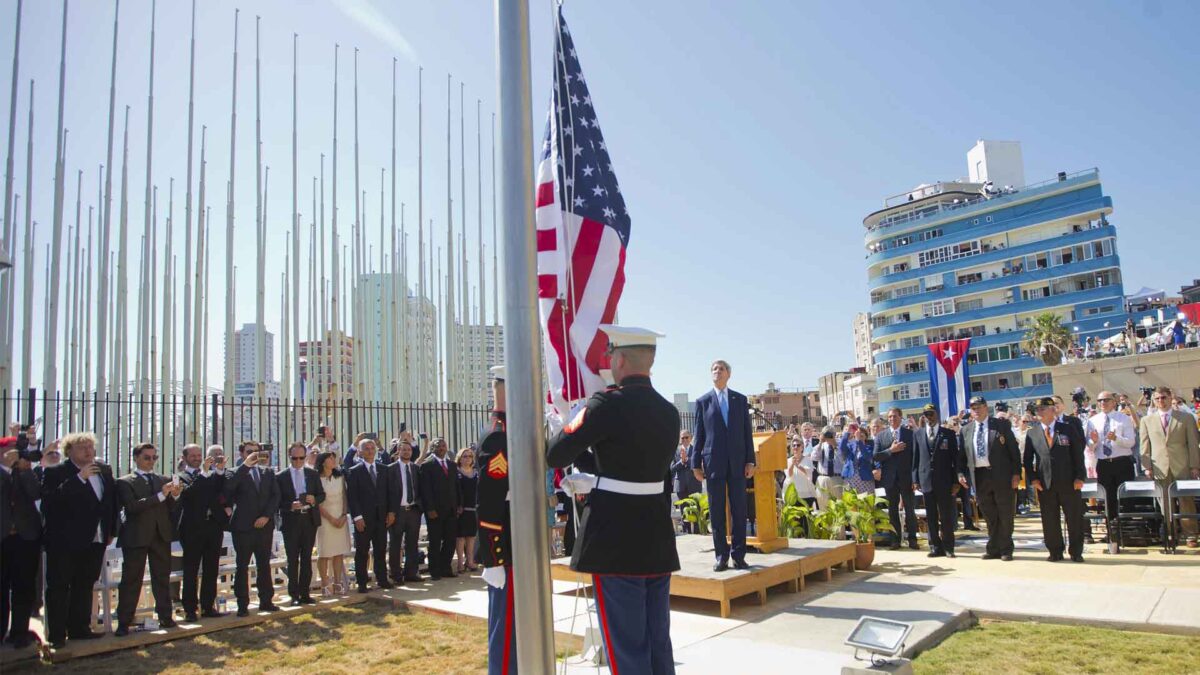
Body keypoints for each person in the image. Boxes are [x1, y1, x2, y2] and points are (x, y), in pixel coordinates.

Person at [547, 325, 680, 674]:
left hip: (615, 539)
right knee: (656, 643)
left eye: (609, 356)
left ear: (619, 359)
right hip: (655, 536)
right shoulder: (668, 411)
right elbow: (626, 465)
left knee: (626, 647)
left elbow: (555, 453)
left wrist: (568, 422)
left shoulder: (606, 403)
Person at [40, 431, 120, 648]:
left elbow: (111, 502)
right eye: (82, 447)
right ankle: (57, 635)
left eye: (90, 446)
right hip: (65, 541)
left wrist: (112, 529)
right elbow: (50, 502)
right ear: (69, 451)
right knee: (59, 586)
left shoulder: (104, 470)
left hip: (96, 539)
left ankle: (79, 628)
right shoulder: (57, 472)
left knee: (84, 585)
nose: (88, 451)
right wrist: (79, 479)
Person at [690, 359, 756, 572]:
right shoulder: (703, 401)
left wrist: (750, 460)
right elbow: (699, 435)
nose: (717, 372)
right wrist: (695, 464)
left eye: (721, 369)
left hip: (737, 463)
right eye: (714, 369)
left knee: (739, 510)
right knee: (717, 512)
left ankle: (739, 556)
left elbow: (747, 433)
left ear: (729, 374)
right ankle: (721, 557)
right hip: (713, 464)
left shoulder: (739, 399)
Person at [115, 442, 181, 635]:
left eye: (154, 457)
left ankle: (166, 617)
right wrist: (162, 495)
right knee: (131, 580)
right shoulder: (125, 481)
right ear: (136, 458)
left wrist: (175, 496)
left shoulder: (163, 479)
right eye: (147, 457)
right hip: (137, 536)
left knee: (162, 578)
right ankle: (124, 621)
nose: (151, 461)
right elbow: (132, 507)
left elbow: (171, 508)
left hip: (160, 534)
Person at [476, 365, 516, 674]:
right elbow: (488, 504)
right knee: (505, 628)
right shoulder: (498, 438)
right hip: (507, 547)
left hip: (518, 541)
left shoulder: (510, 432)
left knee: (517, 624)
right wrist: (494, 557)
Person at [958, 396, 1021, 561]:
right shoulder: (966, 430)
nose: (976, 410)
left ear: (986, 407)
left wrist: (1016, 474)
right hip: (979, 476)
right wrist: (960, 474)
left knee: (1005, 513)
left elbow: (1014, 451)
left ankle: (1006, 549)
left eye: (979, 407)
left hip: (1001, 475)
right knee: (989, 514)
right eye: (973, 408)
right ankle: (993, 548)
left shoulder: (1001, 425)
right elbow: (962, 457)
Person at [1025, 397, 1087, 562]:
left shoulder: (1068, 429)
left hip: (1069, 482)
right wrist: (1033, 479)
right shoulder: (1032, 433)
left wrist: (1080, 477)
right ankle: (1055, 551)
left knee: (1074, 518)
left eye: (1043, 409)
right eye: (1037, 410)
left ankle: (1076, 551)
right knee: (1049, 519)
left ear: (1053, 410)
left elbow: (1078, 455)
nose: (1039, 412)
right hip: (1045, 484)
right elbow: (1027, 459)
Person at [225, 439, 281, 616]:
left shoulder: (268, 472)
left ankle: (266, 601)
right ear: (242, 453)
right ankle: (242, 604)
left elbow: (275, 496)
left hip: (264, 526)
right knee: (242, 566)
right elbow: (228, 491)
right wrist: (245, 467)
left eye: (256, 451)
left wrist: (266, 516)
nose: (253, 454)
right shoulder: (233, 472)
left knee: (264, 564)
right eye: (249, 451)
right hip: (243, 527)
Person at [174, 444, 229, 622]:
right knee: (191, 570)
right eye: (193, 455)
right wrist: (205, 473)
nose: (197, 458)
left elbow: (220, 490)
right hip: (192, 529)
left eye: (199, 455)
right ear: (185, 458)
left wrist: (219, 471)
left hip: (213, 526)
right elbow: (190, 494)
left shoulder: (209, 474)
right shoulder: (180, 477)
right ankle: (190, 609)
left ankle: (208, 606)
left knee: (211, 568)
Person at [1140, 387, 1200, 547]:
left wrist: (1195, 466)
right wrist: (1146, 466)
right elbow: (1144, 446)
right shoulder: (1147, 420)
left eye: (1164, 397)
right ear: (1154, 400)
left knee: (1186, 501)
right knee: (1164, 503)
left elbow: (1193, 444)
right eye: (1157, 398)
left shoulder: (1186, 418)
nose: (1161, 401)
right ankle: (1170, 533)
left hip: (1182, 466)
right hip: (1159, 467)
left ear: (1170, 397)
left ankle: (1190, 535)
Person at [1, 436, 41, 648]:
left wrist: (25, 470)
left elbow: (36, 493)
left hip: (25, 538)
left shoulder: (25, 472)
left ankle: (20, 632)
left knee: (24, 588)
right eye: (10, 450)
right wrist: (5, 468)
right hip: (3, 538)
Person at [277, 441, 325, 606]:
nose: (298, 462)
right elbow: (276, 502)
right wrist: (290, 506)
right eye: (294, 458)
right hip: (291, 521)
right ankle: (294, 594)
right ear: (289, 457)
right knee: (293, 559)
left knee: (306, 558)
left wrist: (314, 500)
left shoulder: (312, 474)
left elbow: (321, 495)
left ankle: (305, 593)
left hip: (308, 519)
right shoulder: (281, 476)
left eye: (301, 458)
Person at [345, 438, 394, 592]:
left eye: (372, 448)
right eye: (366, 448)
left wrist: (391, 512)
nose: (370, 450)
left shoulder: (384, 469)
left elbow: (390, 493)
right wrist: (357, 517)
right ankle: (362, 582)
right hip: (364, 520)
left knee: (380, 550)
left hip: (381, 518)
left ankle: (382, 579)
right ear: (359, 452)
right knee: (362, 552)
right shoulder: (354, 471)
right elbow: (352, 497)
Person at [1087, 391, 1137, 540]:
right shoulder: (1092, 421)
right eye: (1100, 400)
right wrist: (1094, 441)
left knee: (1125, 498)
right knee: (1108, 499)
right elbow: (1090, 446)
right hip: (1104, 464)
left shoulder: (1123, 419)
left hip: (1122, 462)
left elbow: (1131, 442)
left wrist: (1116, 438)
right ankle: (1111, 533)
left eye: (1106, 400)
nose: (1103, 403)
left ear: (1114, 402)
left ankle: (1127, 532)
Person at [912, 404, 960, 558]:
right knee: (931, 515)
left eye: (931, 414)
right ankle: (934, 546)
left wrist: (955, 481)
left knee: (946, 515)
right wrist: (915, 479)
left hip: (944, 480)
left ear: (937, 415)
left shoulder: (948, 433)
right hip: (926, 480)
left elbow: (955, 459)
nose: (929, 417)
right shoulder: (918, 434)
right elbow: (916, 458)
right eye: (926, 414)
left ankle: (948, 547)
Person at [874, 408, 918, 550]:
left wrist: (914, 478)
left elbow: (915, 457)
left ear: (901, 417)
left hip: (906, 478)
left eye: (894, 416)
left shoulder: (909, 434)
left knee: (910, 510)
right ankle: (895, 540)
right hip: (890, 479)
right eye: (889, 417)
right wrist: (891, 451)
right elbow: (875, 456)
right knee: (892, 511)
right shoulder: (881, 436)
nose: (892, 419)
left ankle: (912, 539)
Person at [419, 437, 461, 580]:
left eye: (443, 445)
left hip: (451, 509)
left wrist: (459, 504)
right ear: (432, 448)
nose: (442, 448)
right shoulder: (427, 466)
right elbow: (426, 490)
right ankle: (435, 570)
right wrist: (429, 508)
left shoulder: (452, 465)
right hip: (435, 511)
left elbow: (457, 487)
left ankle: (446, 567)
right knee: (435, 541)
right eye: (438, 446)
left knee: (450, 541)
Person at [315, 451, 352, 596]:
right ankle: (325, 584)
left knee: (338, 552)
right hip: (325, 518)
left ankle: (337, 582)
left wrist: (343, 515)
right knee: (324, 552)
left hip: (340, 516)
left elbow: (344, 496)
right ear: (323, 461)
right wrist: (331, 518)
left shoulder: (339, 476)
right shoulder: (317, 478)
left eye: (333, 457)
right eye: (329, 458)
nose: (332, 460)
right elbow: (318, 503)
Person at [386, 440, 423, 584]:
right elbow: (387, 492)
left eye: (409, 449)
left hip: (413, 510)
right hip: (397, 511)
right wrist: (390, 511)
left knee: (412, 543)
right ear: (398, 451)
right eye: (404, 449)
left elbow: (420, 489)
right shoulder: (390, 469)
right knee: (395, 544)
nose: (407, 452)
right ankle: (395, 575)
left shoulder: (416, 468)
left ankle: (411, 573)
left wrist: (420, 507)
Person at [454, 447, 479, 574]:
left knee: (471, 536)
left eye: (470, 456)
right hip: (461, 509)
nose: (467, 458)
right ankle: (459, 563)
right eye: (465, 456)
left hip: (473, 508)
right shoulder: (456, 472)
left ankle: (469, 561)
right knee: (460, 537)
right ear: (459, 458)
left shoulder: (476, 472)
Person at [811, 429, 845, 510]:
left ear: (834, 434)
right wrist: (820, 443)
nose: (828, 437)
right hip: (823, 478)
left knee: (839, 507)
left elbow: (843, 460)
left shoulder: (840, 444)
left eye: (830, 434)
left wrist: (835, 445)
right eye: (826, 434)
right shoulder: (821, 445)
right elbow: (814, 457)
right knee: (823, 506)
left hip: (837, 478)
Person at [670, 431, 702, 502]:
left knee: (696, 510)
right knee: (683, 511)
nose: (684, 440)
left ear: (691, 438)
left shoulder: (696, 450)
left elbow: (698, 465)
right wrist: (681, 462)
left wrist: (687, 459)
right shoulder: (675, 451)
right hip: (681, 487)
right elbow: (672, 469)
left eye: (686, 437)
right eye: (682, 438)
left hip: (695, 486)